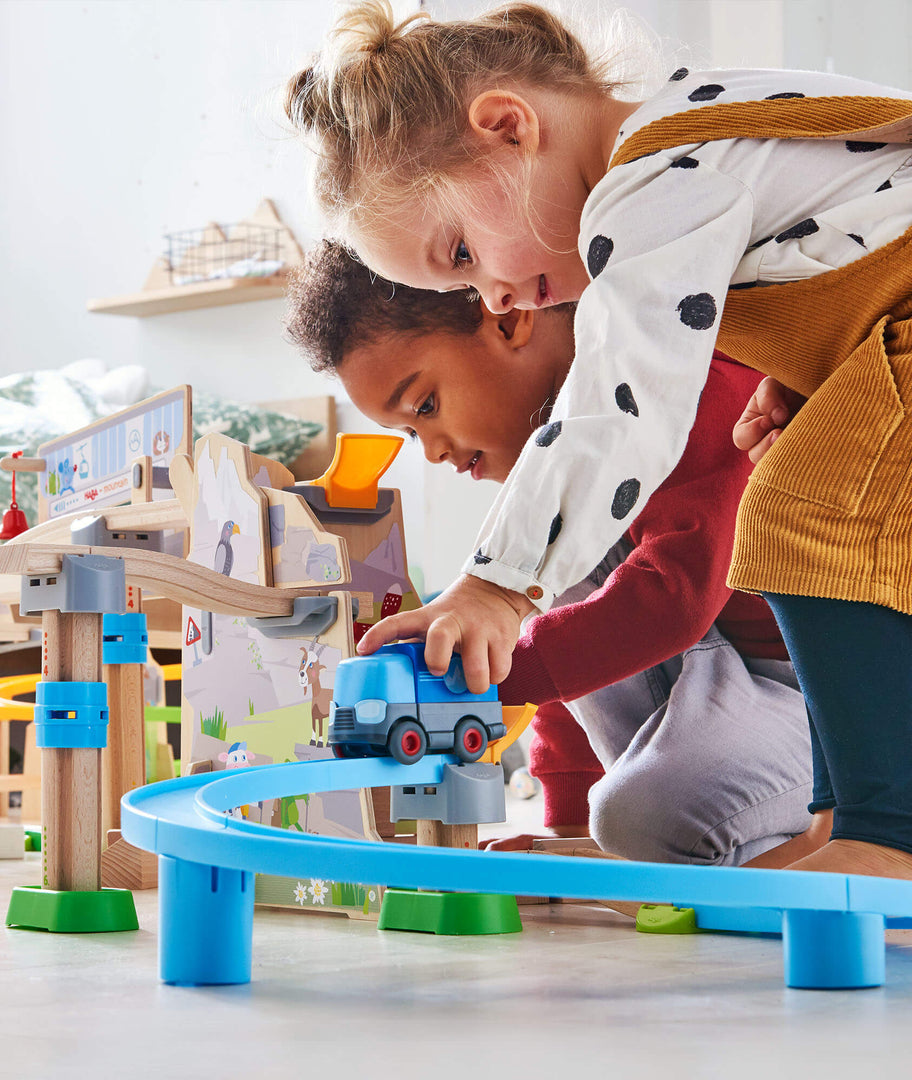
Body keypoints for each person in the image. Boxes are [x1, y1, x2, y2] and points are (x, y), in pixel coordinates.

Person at [284, 2, 912, 880]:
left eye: (463, 253)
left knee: (806, 506)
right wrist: (810, 375)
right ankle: (846, 821)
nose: (496, 296)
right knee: (786, 509)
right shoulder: (690, 139)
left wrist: (496, 590)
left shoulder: (650, 185)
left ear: (507, 128)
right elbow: (844, 232)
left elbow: (618, 410)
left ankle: (888, 838)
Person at [285, 240, 815, 867]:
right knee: (541, 567)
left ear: (510, 320)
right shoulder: (545, 505)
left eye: (425, 406)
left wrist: (494, 680)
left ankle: (853, 832)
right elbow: (575, 653)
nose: (430, 450)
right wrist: (564, 832)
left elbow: (673, 600)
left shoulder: (692, 381)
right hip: (716, 691)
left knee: (643, 818)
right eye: (409, 431)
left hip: (815, 699)